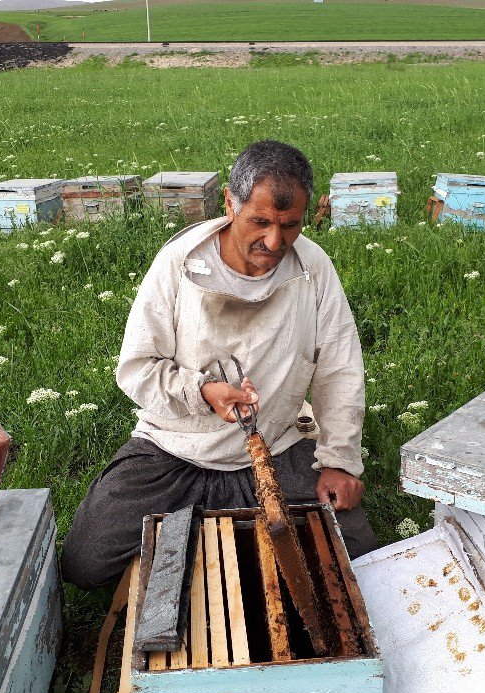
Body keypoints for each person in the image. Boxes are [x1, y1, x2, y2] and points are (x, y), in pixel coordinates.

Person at [62, 140, 379, 589]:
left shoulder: (313, 267)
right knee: (85, 563)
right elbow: (136, 368)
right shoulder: (180, 262)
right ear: (230, 203)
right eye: (261, 221)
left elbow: (339, 369)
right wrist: (201, 392)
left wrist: (341, 461)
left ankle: (214, 545)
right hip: (176, 446)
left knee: (360, 559)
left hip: (277, 442)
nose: (274, 242)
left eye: (290, 226)